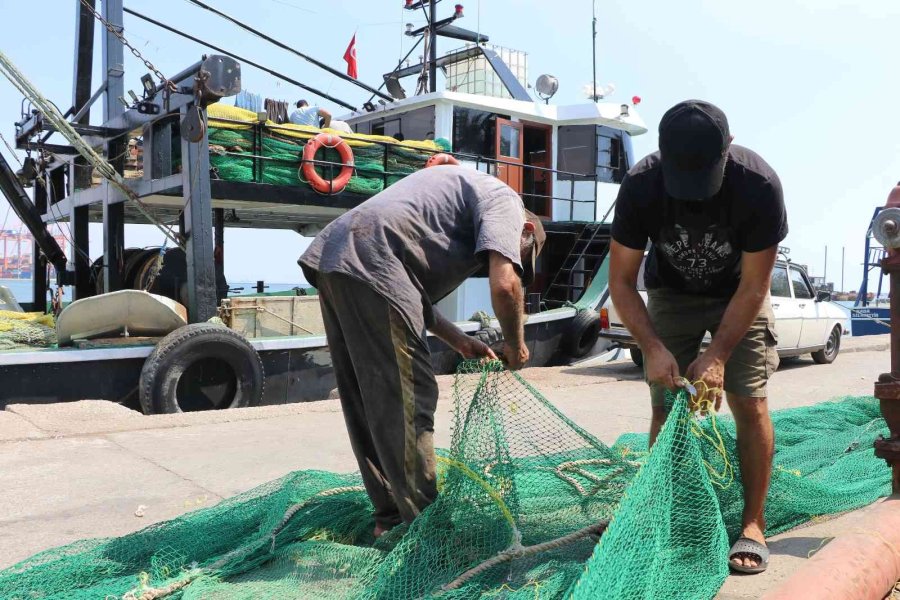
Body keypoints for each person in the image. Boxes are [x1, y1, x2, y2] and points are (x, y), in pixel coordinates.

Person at [299, 166, 545, 538]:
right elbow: (505, 285)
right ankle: (428, 533)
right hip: (372, 257)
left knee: (367, 399)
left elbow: (408, 293)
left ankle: (390, 518)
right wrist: (516, 345)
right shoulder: (506, 202)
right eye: (522, 256)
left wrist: (458, 340)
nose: (515, 260)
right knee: (410, 398)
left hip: (336, 253)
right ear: (526, 232)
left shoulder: (460, 195)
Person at [608, 100, 787, 575]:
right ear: (661, 154)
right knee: (666, 408)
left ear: (727, 150)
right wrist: (652, 346)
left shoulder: (760, 186)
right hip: (671, 293)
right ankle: (663, 515)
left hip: (738, 296)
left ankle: (752, 523)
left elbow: (755, 286)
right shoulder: (641, 185)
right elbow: (621, 283)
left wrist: (718, 354)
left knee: (749, 402)